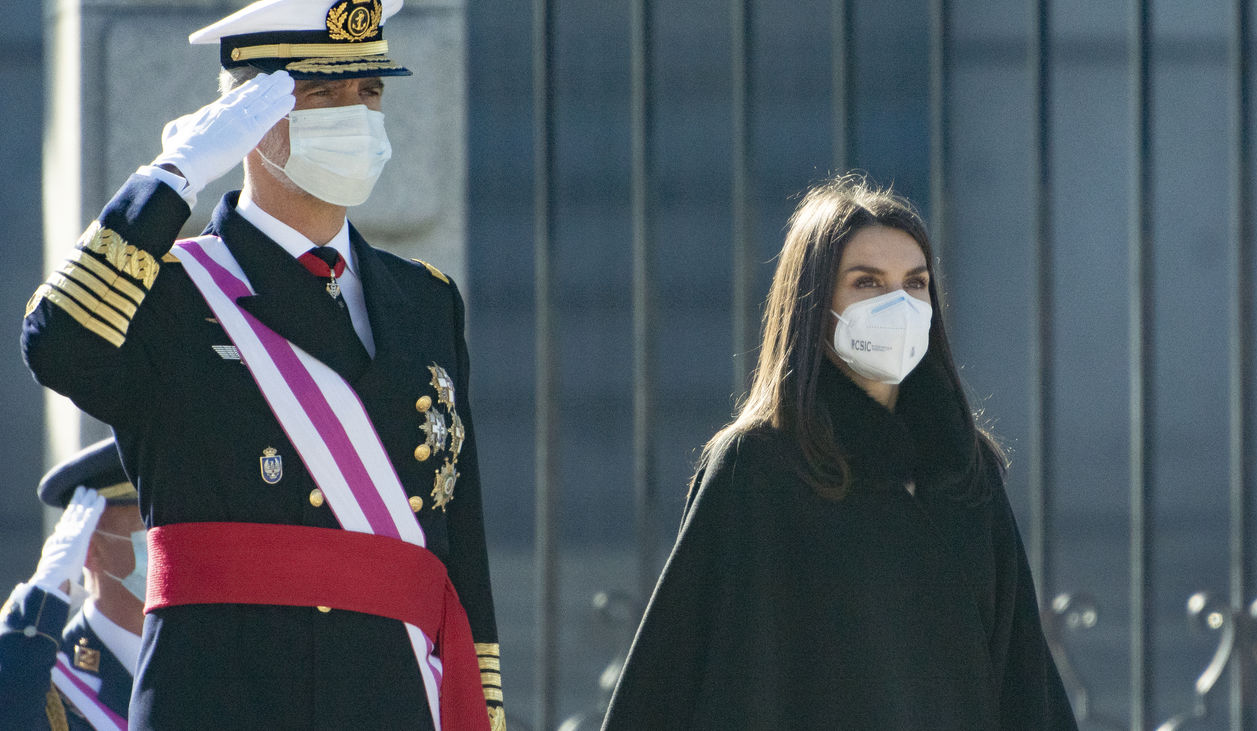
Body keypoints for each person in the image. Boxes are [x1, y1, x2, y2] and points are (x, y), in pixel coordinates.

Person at [21, 0, 504, 728]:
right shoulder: (170, 295)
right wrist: (173, 177)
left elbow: (457, 541)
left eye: (370, 90)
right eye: (322, 93)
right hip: (225, 697)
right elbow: (56, 340)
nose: (358, 112)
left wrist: (481, 705)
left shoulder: (425, 300)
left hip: (392, 699)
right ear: (250, 118)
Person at [602, 175, 1077, 730]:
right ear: (814, 303)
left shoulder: (964, 471)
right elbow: (676, 679)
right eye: (867, 283)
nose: (897, 303)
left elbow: (1022, 680)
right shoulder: (758, 467)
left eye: (915, 283)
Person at [0, 438, 145, 730]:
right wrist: (39, 602)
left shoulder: (217, 673)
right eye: (154, 529)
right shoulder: (44, 687)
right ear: (89, 546)